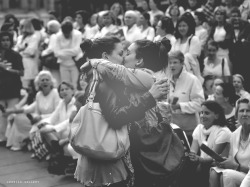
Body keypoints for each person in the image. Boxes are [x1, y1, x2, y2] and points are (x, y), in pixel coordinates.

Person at [79, 36, 171, 187]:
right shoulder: (107, 80)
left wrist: (94, 62)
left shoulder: (134, 78)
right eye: (121, 53)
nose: (122, 58)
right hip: (108, 150)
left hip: (114, 147)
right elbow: (116, 117)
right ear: (105, 57)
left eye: (126, 53)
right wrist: (150, 98)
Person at [189, 100, 231, 187]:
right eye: (201, 112)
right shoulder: (199, 127)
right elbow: (193, 149)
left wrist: (198, 159)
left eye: (206, 113)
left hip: (219, 166)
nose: (202, 116)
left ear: (216, 115)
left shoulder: (223, 131)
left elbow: (213, 157)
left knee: (201, 168)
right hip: (204, 163)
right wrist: (192, 156)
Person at [209, 98, 250, 187]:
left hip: (247, 175)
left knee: (227, 175)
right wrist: (224, 162)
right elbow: (232, 160)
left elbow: (235, 166)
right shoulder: (235, 135)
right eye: (242, 111)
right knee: (214, 171)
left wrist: (236, 166)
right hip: (240, 173)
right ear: (236, 114)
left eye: (248, 111)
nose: (245, 114)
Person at [167, 50, 205, 142]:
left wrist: (180, 106)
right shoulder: (166, 80)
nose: (172, 65)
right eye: (170, 63)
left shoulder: (192, 80)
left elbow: (200, 104)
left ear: (182, 63)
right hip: (171, 130)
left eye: (175, 62)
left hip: (190, 131)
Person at [0, 31, 24, 145]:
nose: (5, 42)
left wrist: (7, 69)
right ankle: (2, 138)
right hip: (1, 89)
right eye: (3, 40)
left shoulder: (15, 55)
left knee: (11, 114)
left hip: (12, 88)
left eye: (7, 40)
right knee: (1, 115)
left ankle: (12, 139)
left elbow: (21, 72)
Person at [172, 12, 203, 82]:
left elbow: (191, 59)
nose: (181, 28)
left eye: (184, 26)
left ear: (189, 26)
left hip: (191, 76)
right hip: (177, 76)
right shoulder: (177, 41)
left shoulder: (194, 39)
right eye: (179, 26)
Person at [53, 20, 83, 89]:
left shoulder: (78, 34)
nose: (66, 35)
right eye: (64, 33)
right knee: (65, 85)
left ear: (71, 31)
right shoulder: (58, 36)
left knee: (75, 85)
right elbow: (56, 53)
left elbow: (76, 51)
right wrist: (70, 53)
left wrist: (62, 52)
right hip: (63, 64)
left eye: (67, 33)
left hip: (74, 64)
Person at [14, 18, 40, 88]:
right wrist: (21, 50)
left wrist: (20, 51)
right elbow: (15, 50)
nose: (19, 28)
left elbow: (31, 51)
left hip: (29, 64)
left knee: (29, 84)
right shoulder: (20, 37)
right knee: (21, 84)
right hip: (20, 63)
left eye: (21, 26)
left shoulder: (33, 37)